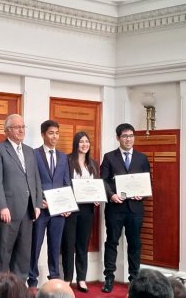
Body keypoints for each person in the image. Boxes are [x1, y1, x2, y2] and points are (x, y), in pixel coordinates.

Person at [0, 114, 42, 282]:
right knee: (3, 254)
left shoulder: (29, 151)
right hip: (8, 211)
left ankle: (18, 289)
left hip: (28, 211)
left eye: (23, 127)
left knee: (23, 254)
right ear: (7, 131)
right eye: (17, 127)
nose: (21, 130)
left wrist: (38, 204)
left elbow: (35, 179)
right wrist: (2, 206)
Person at [100, 123, 150, 293]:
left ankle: (134, 279)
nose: (128, 139)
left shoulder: (142, 158)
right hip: (115, 208)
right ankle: (108, 278)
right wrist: (111, 195)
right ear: (118, 138)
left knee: (135, 243)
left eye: (131, 136)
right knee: (112, 242)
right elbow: (103, 181)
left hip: (135, 208)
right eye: (124, 136)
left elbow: (147, 181)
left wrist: (142, 194)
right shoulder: (109, 157)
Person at [27, 120, 70, 294]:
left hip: (59, 210)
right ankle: (32, 280)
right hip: (41, 209)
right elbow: (29, 181)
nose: (55, 136)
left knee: (55, 245)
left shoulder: (63, 156)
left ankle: (55, 279)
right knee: (35, 245)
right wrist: (37, 201)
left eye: (57, 133)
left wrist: (68, 204)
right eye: (51, 133)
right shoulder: (33, 154)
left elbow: (66, 182)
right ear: (43, 134)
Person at [61, 131, 100, 293]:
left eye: (87, 142)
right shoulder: (67, 160)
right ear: (76, 144)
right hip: (71, 208)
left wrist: (98, 197)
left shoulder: (94, 163)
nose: (85, 144)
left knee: (82, 245)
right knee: (68, 244)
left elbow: (98, 184)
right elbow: (63, 182)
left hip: (87, 208)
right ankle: (67, 279)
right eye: (81, 142)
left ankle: (81, 279)